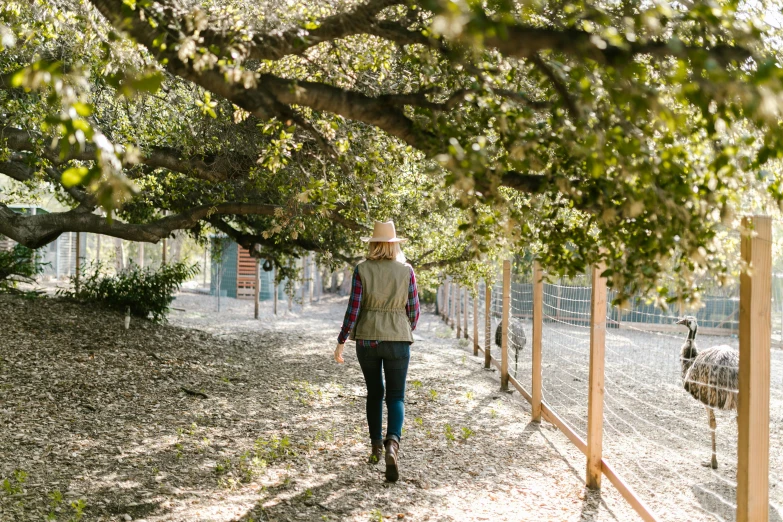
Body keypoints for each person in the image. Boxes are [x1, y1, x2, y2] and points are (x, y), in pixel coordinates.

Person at [334, 220, 419, 483]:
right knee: (396, 396)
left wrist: (341, 340)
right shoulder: (406, 271)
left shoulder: (362, 269)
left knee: (374, 392)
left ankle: (374, 447)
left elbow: (354, 308)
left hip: (367, 340)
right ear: (394, 246)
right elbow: (414, 311)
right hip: (398, 340)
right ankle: (392, 444)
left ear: (373, 245)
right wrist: (403, 328)